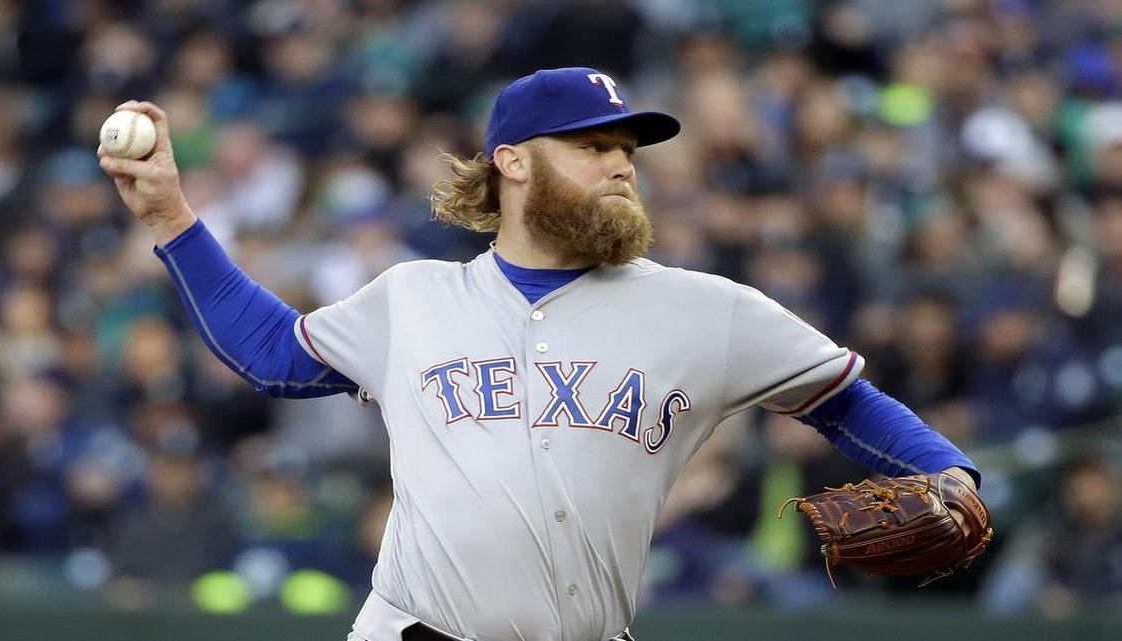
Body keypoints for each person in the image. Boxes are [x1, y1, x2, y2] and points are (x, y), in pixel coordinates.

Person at [98, 67, 981, 641]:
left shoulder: (707, 311)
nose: (622, 166)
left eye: (628, 152)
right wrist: (172, 218)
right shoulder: (414, 298)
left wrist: (948, 470)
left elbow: (843, 398)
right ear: (513, 163)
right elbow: (270, 354)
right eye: (594, 147)